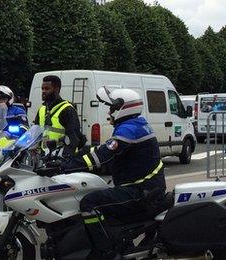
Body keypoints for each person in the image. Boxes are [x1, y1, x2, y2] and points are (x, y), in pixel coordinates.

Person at [52, 87, 165, 260]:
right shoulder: (133, 125)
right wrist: (70, 157)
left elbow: (103, 156)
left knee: (89, 203)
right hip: (147, 189)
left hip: (141, 191)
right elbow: (102, 148)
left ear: (123, 108)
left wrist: (63, 167)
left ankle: (105, 250)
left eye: (112, 108)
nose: (109, 111)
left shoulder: (129, 129)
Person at [33, 75, 85, 157]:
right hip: (45, 156)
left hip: (62, 157)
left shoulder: (67, 109)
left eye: (47, 89)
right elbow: (35, 133)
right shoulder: (42, 109)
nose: (43, 91)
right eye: (42, 89)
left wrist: (65, 158)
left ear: (56, 89)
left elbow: (73, 138)